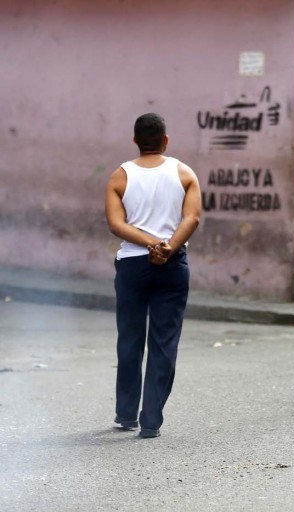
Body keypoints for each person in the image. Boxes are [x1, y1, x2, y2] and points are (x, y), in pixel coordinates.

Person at [105, 113, 201, 438]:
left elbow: (116, 224)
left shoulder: (120, 176)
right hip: (172, 267)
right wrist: (168, 247)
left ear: (135, 140)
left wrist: (149, 243)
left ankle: (126, 413)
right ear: (166, 139)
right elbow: (193, 218)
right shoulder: (184, 173)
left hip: (132, 266)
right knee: (163, 343)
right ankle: (150, 421)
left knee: (130, 339)